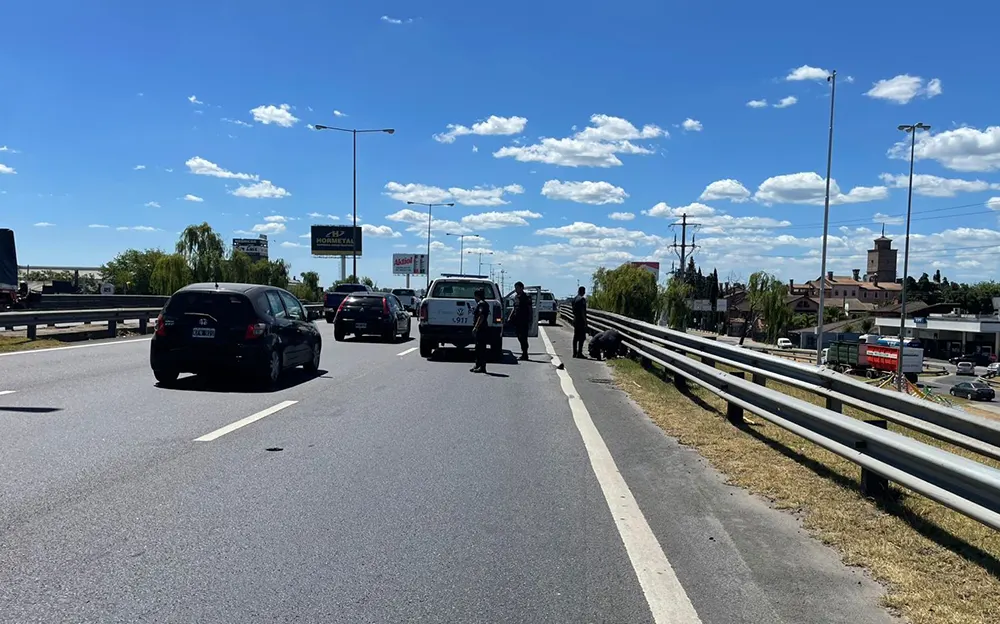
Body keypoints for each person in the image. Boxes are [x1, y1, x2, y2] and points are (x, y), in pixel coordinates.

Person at [508, 281, 532, 361]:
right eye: (515, 288)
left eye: (517, 288)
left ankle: (525, 353)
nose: (516, 290)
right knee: (519, 336)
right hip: (517, 320)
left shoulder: (526, 297)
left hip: (524, 319)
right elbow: (514, 308)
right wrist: (510, 316)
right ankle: (524, 352)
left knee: (524, 337)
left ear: (522, 288)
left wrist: (530, 320)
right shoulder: (516, 297)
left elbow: (530, 309)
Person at [470, 287, 490, 373]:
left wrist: (476, 327)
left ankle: (482, 367)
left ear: (477, 296)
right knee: (478, 348)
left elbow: (481, 317)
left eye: (475, 296)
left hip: (481, 329)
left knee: (481, 348)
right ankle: (477, 365)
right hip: (481, 329)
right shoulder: (482, 304)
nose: (474, 298)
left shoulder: (482, 304)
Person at [571, 286, 588, 358]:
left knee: (575, 337)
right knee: (582, 337)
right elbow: (582, 312)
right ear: (583, 291)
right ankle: (579, 353)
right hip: (581, 320)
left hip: (575, 319)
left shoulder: (574, 299)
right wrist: (585, 321)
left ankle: (574, 353)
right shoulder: (582, 300)